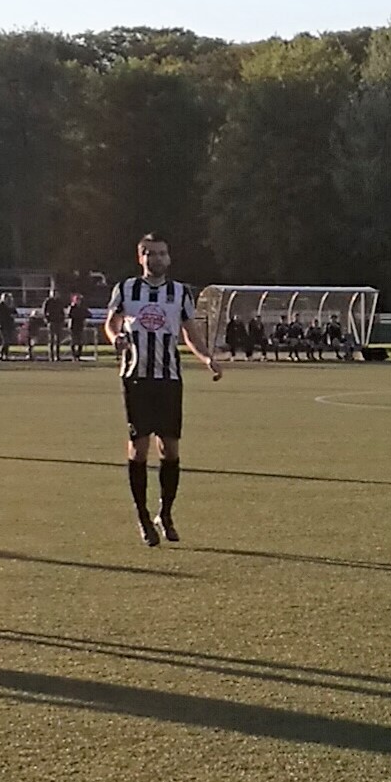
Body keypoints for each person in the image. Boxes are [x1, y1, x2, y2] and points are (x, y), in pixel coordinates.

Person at [104, 232, 222, 547]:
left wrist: (207, 357)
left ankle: (164, 513)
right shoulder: (126, 289)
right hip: (136, 377)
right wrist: (116, 337)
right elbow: (111, 323)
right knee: (139, 448)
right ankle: (143, 517)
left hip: (169, 379)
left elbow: (190, 333)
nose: (156, 259)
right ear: (140, 257)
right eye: (150, 253)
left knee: (170, 449)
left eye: (161, 253)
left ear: (168, 258)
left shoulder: (180, 293)